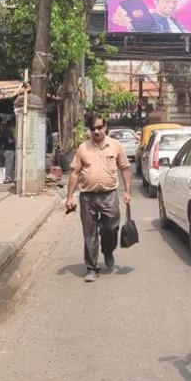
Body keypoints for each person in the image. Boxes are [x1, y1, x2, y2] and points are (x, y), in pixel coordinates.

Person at [65, 114, 132, 282]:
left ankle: (108, 250)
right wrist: (69, 197)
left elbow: (124, 168)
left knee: (111, 228)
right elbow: (74, 173)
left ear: (105, 127)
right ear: (90, 130)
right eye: (93, 128)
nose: (97, 131)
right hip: (87, 197)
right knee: (89, 233)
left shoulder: (115, 146)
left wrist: (127, 192)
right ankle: (91, 267)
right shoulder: (83, 148)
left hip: (109, 195)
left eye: (100, 127)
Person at [111, 0, 187, 33]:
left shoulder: (175, 21)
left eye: (175, 2)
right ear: (155, 2)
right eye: (166, 2)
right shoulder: (149, 20)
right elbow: (145, 30)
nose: (172, 5)